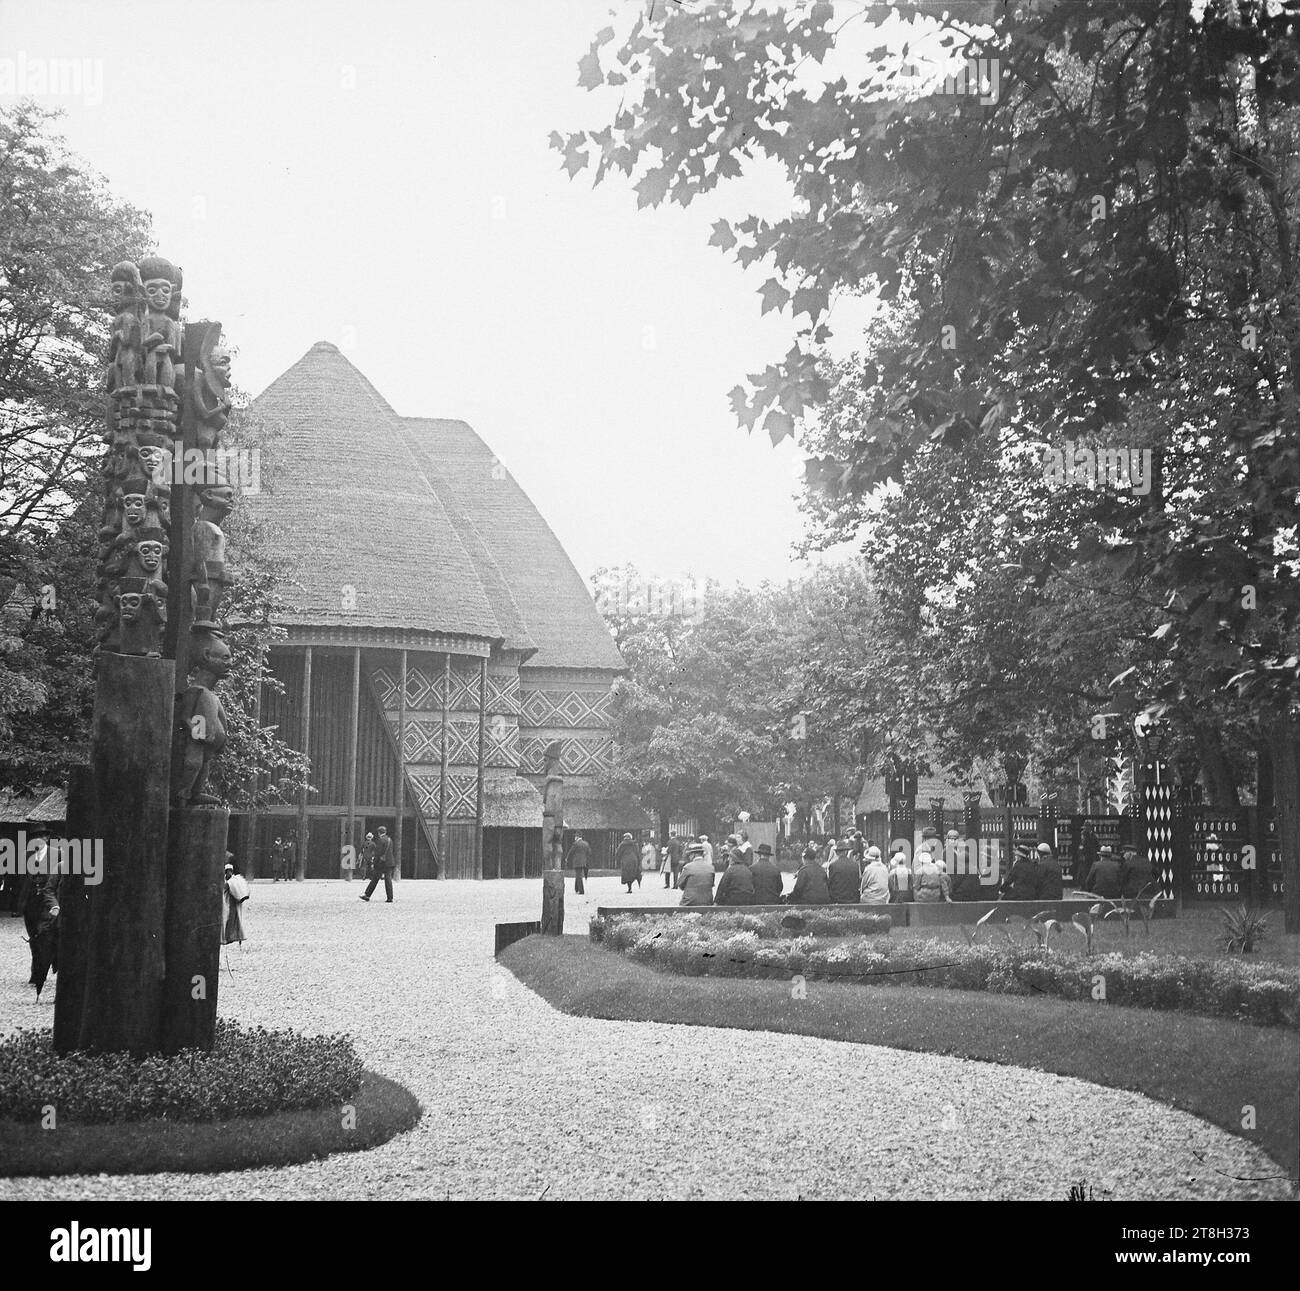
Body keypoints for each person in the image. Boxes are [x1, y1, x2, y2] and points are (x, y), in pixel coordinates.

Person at [360, 826, 395, 902]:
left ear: (379, 832)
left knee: (375, 879)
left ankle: (367, 895)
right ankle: (390, 897)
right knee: (388, 880)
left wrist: (374, 862)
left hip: (381, 863)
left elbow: (378, 853)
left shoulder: (380, 840)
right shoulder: (389, 839)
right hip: (390, 862)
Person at [946, 829, 982, 902]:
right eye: (951, 839)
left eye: (955, 839)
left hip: (960, 885)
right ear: (947, 840)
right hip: (954, 879)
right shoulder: (946, 852)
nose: (953, 841)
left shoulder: (962, 850)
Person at [222, 861, 249, 945]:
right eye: (227, 871)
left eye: (230, 871)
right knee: (227, 919)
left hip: (232, 903)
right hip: (227, 902)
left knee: (232, 919)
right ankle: (227, 936)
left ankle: (231, 936)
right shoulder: (227, 881)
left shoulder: (234, 881)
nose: (229, 873)